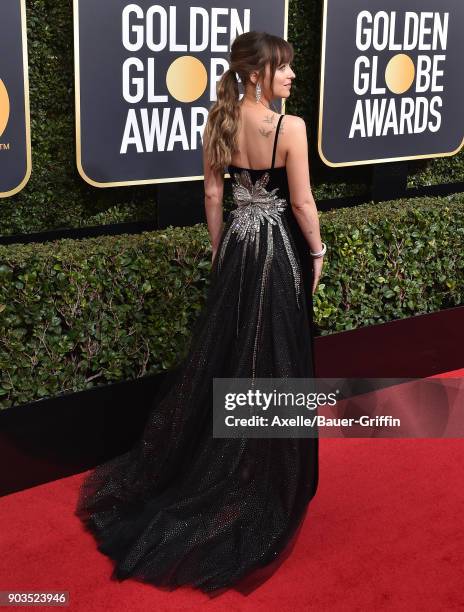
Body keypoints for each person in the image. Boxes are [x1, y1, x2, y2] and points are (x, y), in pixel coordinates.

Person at [74, 31, 325, 596]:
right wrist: (317, 251)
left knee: (234, 354)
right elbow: (303, 202)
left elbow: (213, 198)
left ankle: (222, 460)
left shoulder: (218, 121)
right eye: (283, 69)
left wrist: (220, 253)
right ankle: (263, 472)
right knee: (273, 357)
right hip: (277, 253)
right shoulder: (290, 128)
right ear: (258, 73)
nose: (290, 77)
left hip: (237, 245)